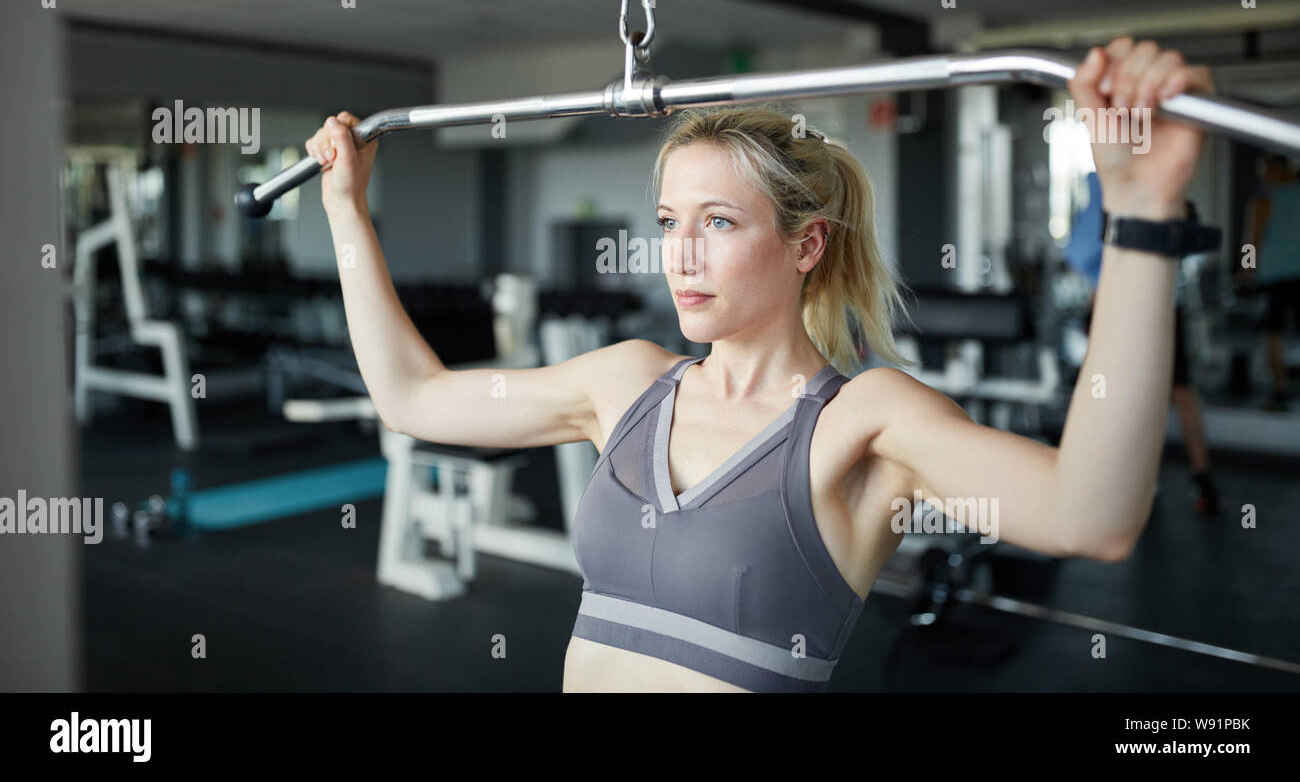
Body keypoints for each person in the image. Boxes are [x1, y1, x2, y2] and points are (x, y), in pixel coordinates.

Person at [305, 36, 1212, 692]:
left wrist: (1140, 222)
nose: (682, 254)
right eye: (669, 222)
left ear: (807, 242)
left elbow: (1094, 517)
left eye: (720, 221)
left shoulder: (864, 423)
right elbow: (413, 397)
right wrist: (347, 209)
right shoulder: (625, 382)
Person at [1065, 172, 1225, 514]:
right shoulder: (1105, 179)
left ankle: (1172, 483)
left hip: (1146, 302)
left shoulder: (1143, 176)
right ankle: (1156, 483)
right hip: (1134, 302)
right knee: (1137, 394)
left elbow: (1084, 253)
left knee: (1165, 392)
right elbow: (1086, 251)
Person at [1241, 154, 1300, 411]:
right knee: (1275, 335)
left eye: (1266, 171)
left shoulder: (1264, 200)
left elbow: (1250, 240)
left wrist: (1246, 271)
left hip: (1275, 276)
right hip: (1289, 275)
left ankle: (1280, 392)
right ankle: (1280, 391)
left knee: (1272, 334)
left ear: (1278, 169)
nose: (1263, 177)